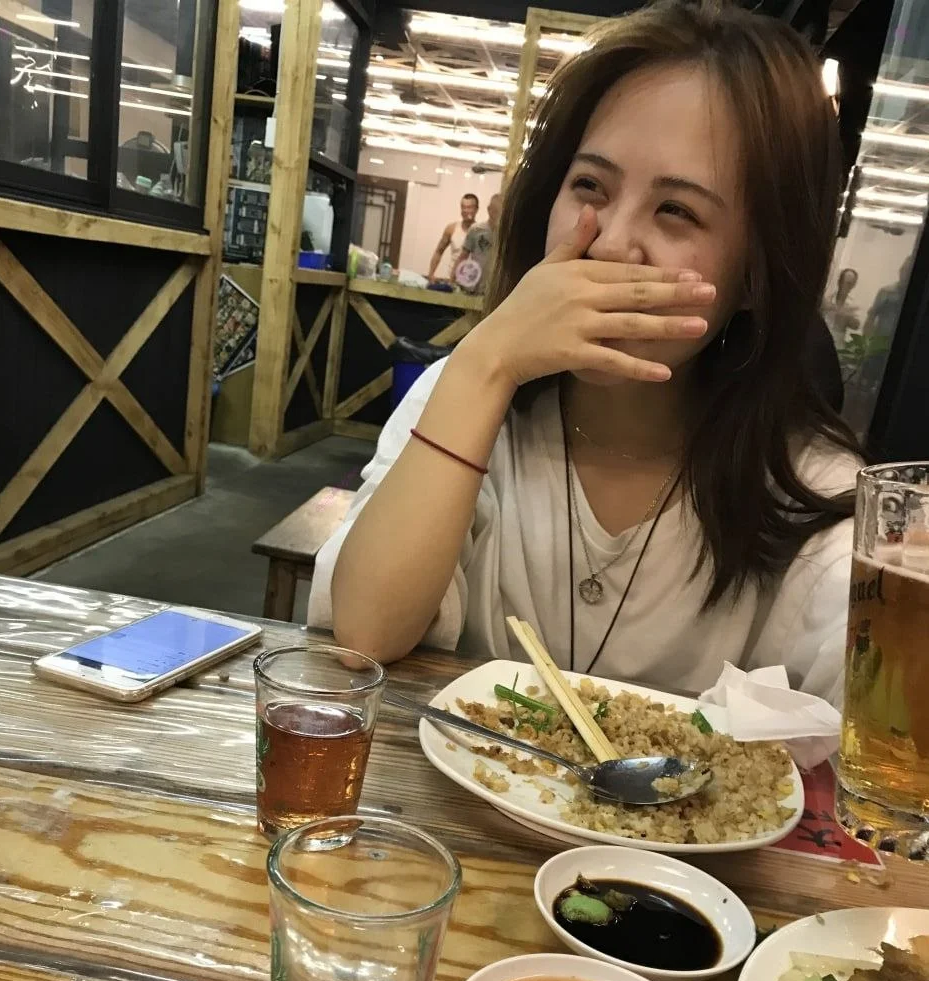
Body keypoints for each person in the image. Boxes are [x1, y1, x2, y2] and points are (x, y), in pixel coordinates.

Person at [310, 0, 863, 704]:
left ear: (757, 274)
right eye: (590, 187)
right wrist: (484, 361)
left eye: (676, 211)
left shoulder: (813, 489)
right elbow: (364, 636)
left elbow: (883, 711)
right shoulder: (467, 398)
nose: (607, 243)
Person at [453, 192, 503, 293]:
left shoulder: (505, 234)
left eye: (500, 211)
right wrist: (453, 279)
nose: (497, 214)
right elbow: (463, 256)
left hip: (494, 288)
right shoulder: (476, 230)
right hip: (473, 286)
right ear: (489, 209)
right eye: (495, 210)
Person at [429, 193, 479, 282]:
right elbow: (439, 251)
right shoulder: (451, 228)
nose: (465, 210)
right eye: (463, 207)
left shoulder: (481, 231)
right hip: (452, 280)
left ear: (476, 209)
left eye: (469, 207)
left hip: (472, 282)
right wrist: (431, 274)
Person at [821, 267, 860, 345]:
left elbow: (856, 326)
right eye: (846, 282)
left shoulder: (853, 304)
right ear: (839, 282)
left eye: (851, 284)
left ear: (854, 285)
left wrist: (850, 318)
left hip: (837, 344)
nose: (847, 286)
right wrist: (836, 309)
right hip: (821, 339)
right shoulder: (827, 297)